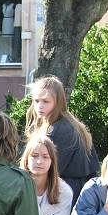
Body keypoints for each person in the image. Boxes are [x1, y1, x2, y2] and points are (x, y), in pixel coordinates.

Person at [25, 75, 99, 205]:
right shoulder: (69, 123)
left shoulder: (59, 129)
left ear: (57, 102)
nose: (40, 106)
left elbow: (49, 170)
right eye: (36, 101)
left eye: (46, 101)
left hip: (67, 193)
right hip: (79, 191)